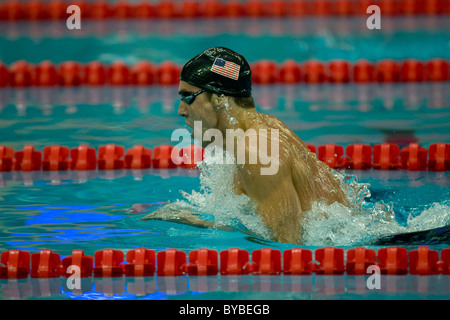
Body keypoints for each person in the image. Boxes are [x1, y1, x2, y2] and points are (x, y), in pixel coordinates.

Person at [141, 47, 349, 244]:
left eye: (188, 97)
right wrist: (203, 221)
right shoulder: (265, 127)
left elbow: (289, 248)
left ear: (220, 99)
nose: (181, 110)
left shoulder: (256, 150)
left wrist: (203, 225)